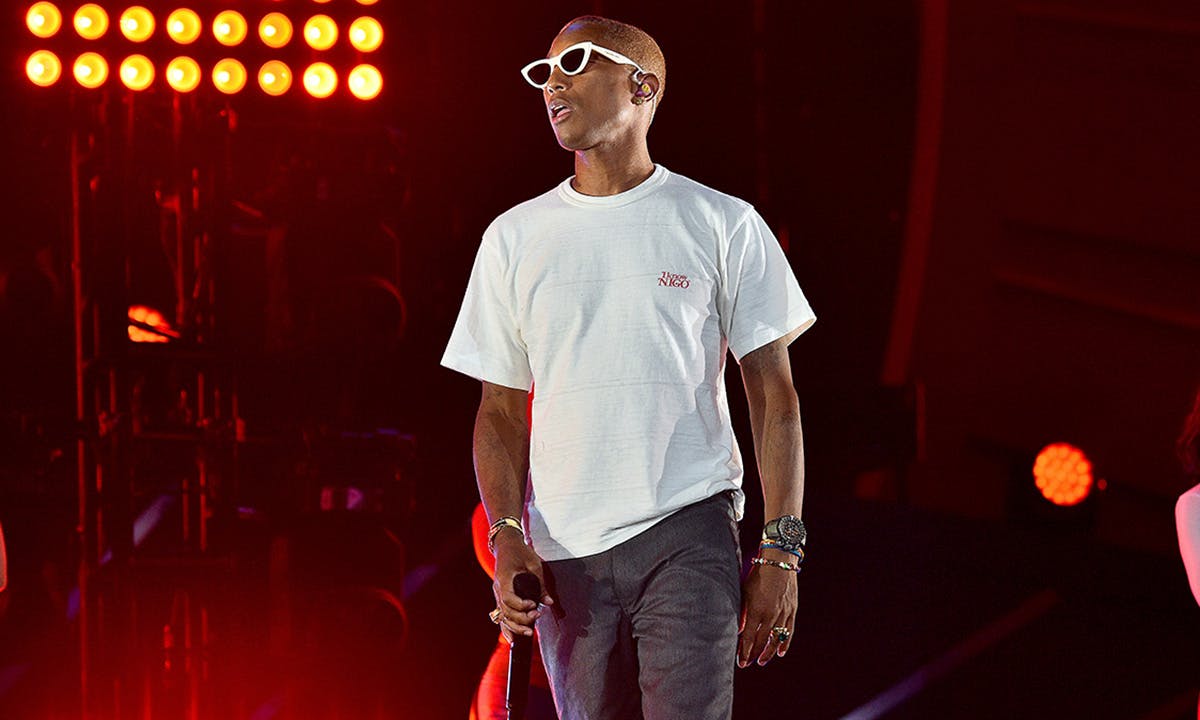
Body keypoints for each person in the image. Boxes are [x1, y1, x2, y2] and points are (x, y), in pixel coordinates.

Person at [442, 15, 816, 719]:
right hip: (562, 551)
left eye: (575, 63)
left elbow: (774, 394)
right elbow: (497, 412)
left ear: (641, 84)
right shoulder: (514, 238)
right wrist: (506, 536)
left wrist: (781, 550)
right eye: (542, 72)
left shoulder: (720, 221)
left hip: (687, 525)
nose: (552, 82)